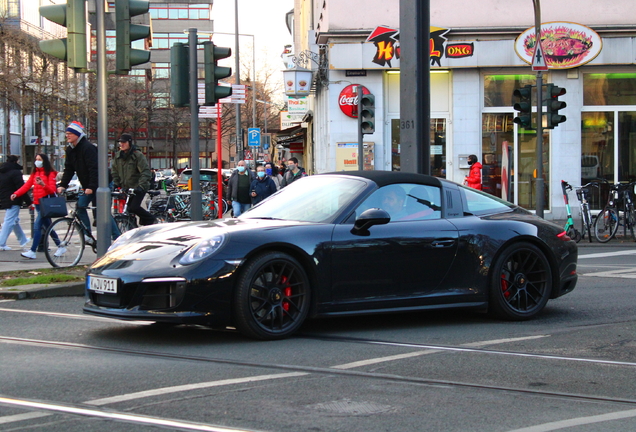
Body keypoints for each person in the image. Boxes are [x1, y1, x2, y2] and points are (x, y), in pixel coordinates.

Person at [57, 121, 120, 241]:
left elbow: (95, 169)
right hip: (88, 185)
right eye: (66, 133)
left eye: (70, 133)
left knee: (103, 212)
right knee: (80, 207)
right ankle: (88, 235)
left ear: (77, 134)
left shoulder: (88, 148)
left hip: (102, 183)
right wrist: (63, 185)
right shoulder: (70, 150)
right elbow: (69, 169)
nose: (67, 136)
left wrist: (91, 186)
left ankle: (117, 238)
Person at [12, 154, 58, 259]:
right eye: (36, 159)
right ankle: (60, 245)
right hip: (37, 203)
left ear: (44, 161)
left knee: (37, 226)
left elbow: (53, 190)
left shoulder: (50, 173)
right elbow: (27, 185)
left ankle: (32, 250)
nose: (37, 161)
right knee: (48, 226)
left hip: (45, 203)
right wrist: (17, 193)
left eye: (39, 159)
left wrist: (43, 184)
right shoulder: (35, 173)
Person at [111, 133, 156, 226]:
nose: (121, 144)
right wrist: (116, 183)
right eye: (120, 142)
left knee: (134, 207)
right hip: (126, 187)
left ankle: (151, 219)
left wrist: (141, 186)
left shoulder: (137, 155)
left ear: (130, 143)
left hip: (138, 187)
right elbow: (114, 171)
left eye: (124, 142)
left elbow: (145, 172)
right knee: (128, 211)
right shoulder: (118, 156)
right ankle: (133, 228)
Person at [0, 155, 30, 251]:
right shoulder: (16, 173)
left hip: (4, 198)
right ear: (15, 162)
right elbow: (22, 188)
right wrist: (29, 202)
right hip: (14, 199)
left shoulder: (2, 172)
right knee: (9, 221)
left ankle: (23, 240)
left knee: (14, 220)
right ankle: (1, 243)